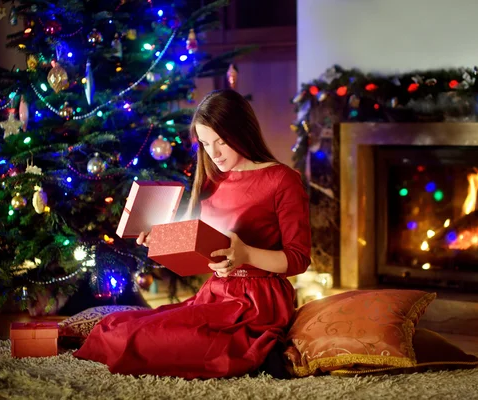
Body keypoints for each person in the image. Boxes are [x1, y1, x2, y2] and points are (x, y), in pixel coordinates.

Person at [73, 89, 311, 379]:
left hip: (257, 305)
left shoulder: (282, 179)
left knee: (143, 341)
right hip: (213, 296)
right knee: (114, 327)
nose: (215, 153)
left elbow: (298, 259)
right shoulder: (212, 180)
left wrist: (247, 254)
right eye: (206, 143)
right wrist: (161, 240)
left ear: (243, 132)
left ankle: (262, 351)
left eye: (222, 141)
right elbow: (199, 247)